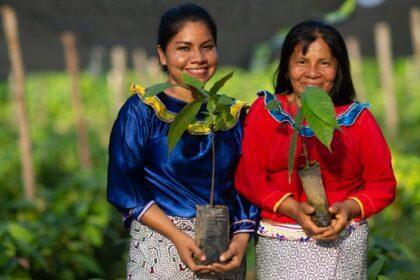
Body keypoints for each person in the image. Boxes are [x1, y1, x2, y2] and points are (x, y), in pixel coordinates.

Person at [235, 20, 396, 279]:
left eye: (324, 63)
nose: (313, 73)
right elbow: (249, 178)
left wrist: (349, 208)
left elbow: (382, 184)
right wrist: (293, 209)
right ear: (286, 67)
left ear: (339, 68)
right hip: (282, 244)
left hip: (344, 242)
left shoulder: (357, 119)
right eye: (302, 62)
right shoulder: (266, 112)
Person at [107, 3, 258, 280]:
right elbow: (124, 186)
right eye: (184, 48)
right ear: (162, 54)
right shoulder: (144, 111)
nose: (198, 58)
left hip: (223, 251)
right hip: (161, 244)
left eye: (207, 46)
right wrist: (177, 236)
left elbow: (247, 183)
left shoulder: (232, 115)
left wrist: (240, 239)